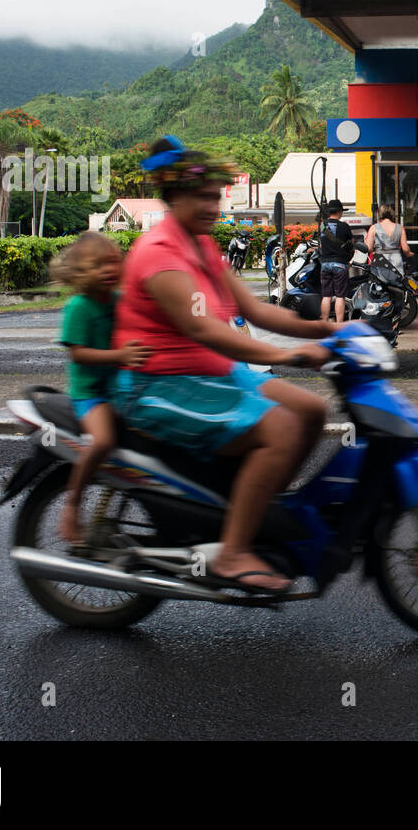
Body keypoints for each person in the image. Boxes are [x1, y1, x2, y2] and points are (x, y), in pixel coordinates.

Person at [111, 136, 337, 592]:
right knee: (282, 429)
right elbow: (203, 329)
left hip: (211, 374)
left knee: (311, 411)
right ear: (174, 197)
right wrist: (284, 355)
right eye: (204, 197)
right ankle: (233, 552)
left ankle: (255, 509)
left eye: (217, 196)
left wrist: (327, 330)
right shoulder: (160, 251)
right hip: (159, 385)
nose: (214, 206)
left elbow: (254, 312)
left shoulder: (203, 248)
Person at [50, 233, 152, 544]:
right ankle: (73, 502)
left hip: (118, 387)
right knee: (103, 440)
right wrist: (121, 356)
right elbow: (78, 353)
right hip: (91, 393)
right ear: (81, 272)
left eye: (113, 262)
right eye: (98, 265)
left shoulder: (119, 299)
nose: (109, 269)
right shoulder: (79, 307)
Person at [319, 199, 353, 323]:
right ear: (339, 212)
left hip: (325, 264)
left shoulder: (322, 226)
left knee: (326, 296)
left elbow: (321, 246)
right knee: (340, 296)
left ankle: (324, 322)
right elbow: (351, 244)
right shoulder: (344, 226)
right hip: (340, 264)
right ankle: (339, 324)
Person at [364, 205, 412, 272]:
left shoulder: (374, 228)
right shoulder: (400, 228)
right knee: (397, 281)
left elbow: (368, 247)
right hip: (396, 262)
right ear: (391, 214)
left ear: (379, 214)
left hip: (380, 261)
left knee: (379, 281)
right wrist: (409, 254)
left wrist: (373, 250)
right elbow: (405, 249)